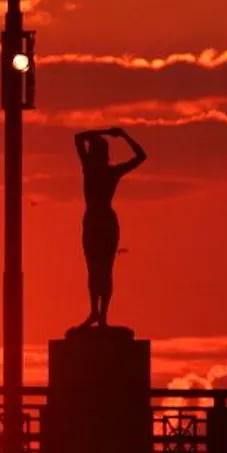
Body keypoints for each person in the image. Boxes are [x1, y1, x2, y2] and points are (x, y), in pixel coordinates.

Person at [73, 127, 147, 328]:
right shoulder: (94, 168)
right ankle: (95, 313)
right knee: (94, 269)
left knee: (104, 269)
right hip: (94, 220)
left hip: (103, 220)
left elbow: (141, 157)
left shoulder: (102, 170)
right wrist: (117, 134)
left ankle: (102, 315)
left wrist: (118, 134)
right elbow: (78, 138)